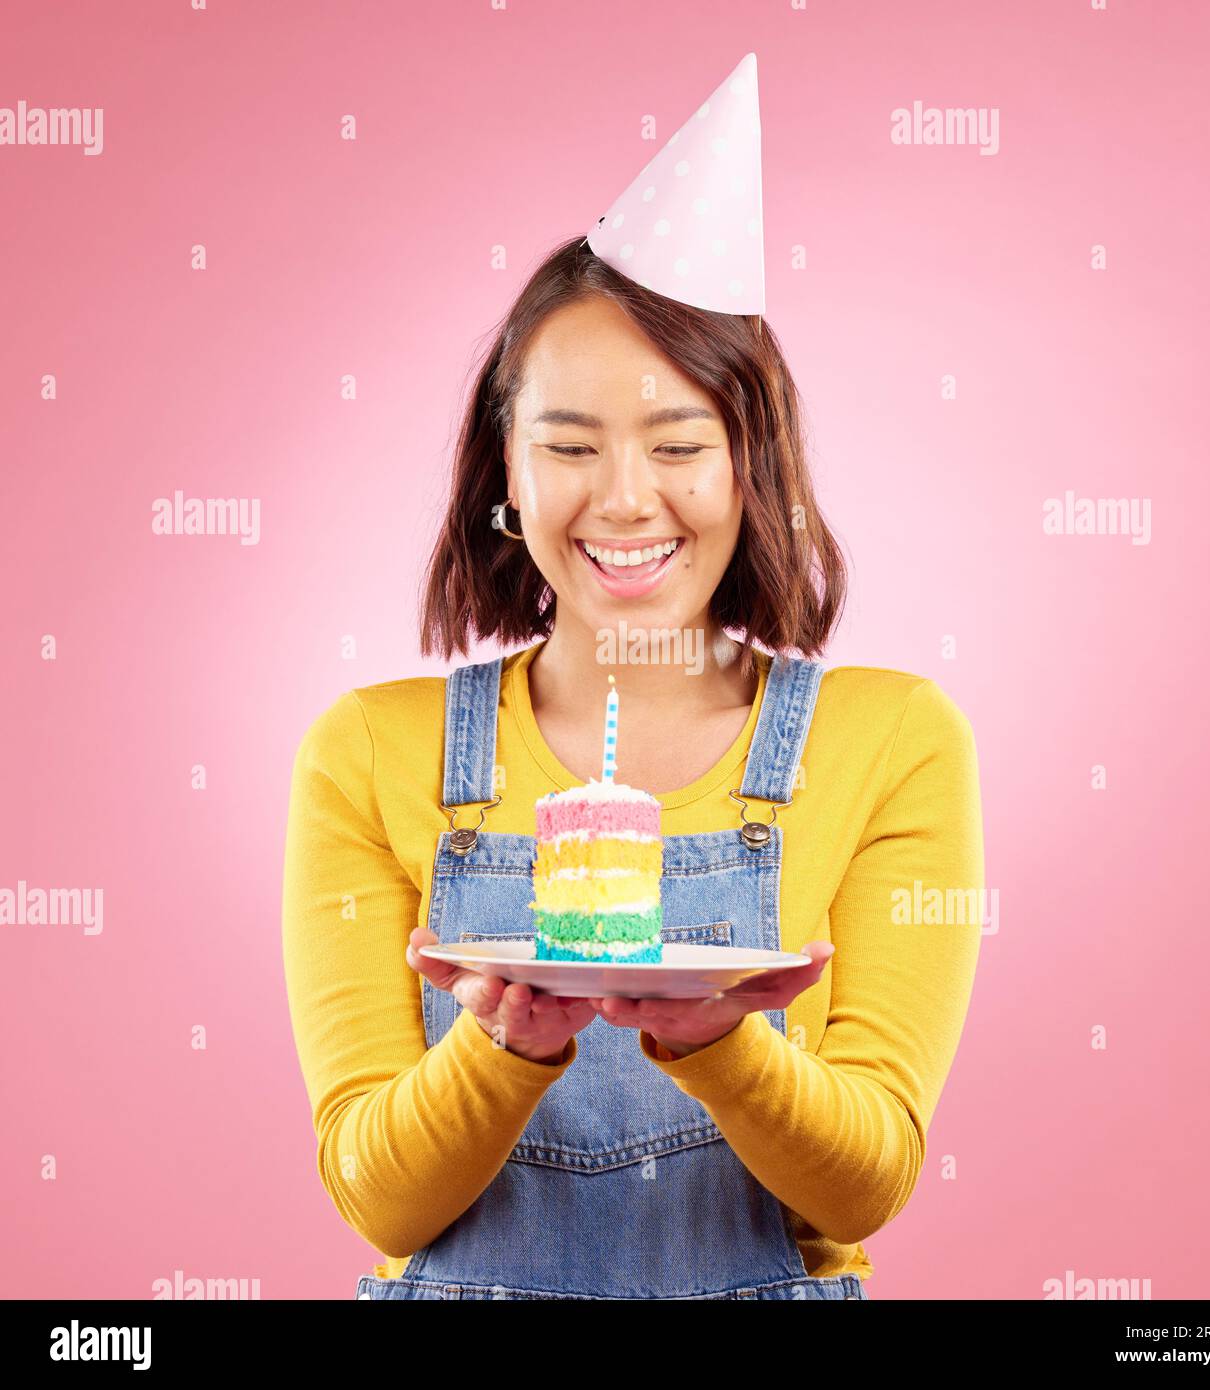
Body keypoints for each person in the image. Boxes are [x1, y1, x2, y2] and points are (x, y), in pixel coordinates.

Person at [281, 235, 985, 1301]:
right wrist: (503, 1049)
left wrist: (719, 1041)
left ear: (752, 462)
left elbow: (864, 1185)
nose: (620, 501)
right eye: (569, 447)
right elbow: (380, 1201)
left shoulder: (889, 738)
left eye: (676, 444)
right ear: (504, 468)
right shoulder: (372, 751)